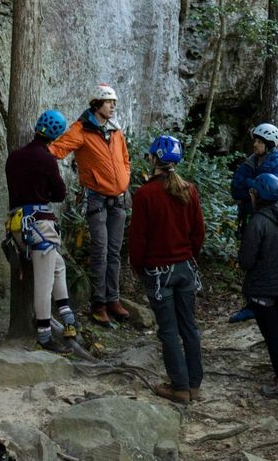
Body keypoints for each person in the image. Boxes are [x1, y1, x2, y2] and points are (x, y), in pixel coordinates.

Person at [129, 135, 205, 404]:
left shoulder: (145, 194)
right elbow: (198, 232)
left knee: (169, 330)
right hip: (184, 267)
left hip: (159, 272)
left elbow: (138, 238)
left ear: (153, 159)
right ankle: (194, 385)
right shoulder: (189, 190)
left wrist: (138, 266)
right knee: (189, 327)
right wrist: (187, 256)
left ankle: (180, 387)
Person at [49, 84, 131, 326]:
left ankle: (113, 299)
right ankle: (98, 304)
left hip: (118, 200)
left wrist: (124, 179)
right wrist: (36, 152)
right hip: (96, 199)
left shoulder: (115, 130)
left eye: (114, 102)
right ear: (96, 104)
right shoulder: (81, 130)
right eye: (109, 102)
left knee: (114, 252)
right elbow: (57, 150)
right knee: (101, 251)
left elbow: (125, 159)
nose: (113, 106)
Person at [5, 110, 79, 353]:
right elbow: (59, 193)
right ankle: (44, 335)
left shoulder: (14, 157)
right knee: (44, 283)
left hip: (19, 226)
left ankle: (66, 314)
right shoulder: (47, 159)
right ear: (56, 135)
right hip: (40, 225)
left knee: (58, 265)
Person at [238, 173, 278, 401]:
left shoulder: (258, 222)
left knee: (273, 337)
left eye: (253, 192)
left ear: (258, 195)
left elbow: (246, 260)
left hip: (264, 290)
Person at [229, 123, 278, 323]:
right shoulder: (250, 162)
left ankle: (271, 301)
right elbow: (236, 188)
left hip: (269, 219)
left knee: (267, 259)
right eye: (255, 140)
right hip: (249, 216)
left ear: (269, 144)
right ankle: (251, 303)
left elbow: (272, 191)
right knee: (250, 259)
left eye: (259, 141)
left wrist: (251, 185)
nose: (254, 144)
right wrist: (255, 184)